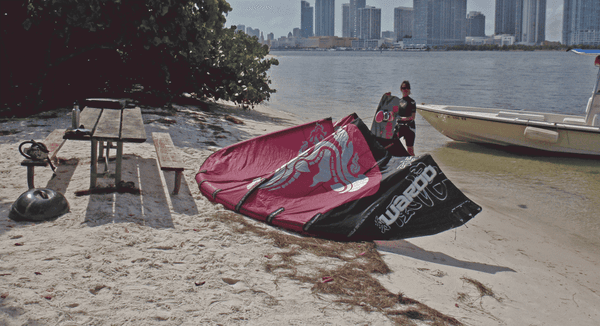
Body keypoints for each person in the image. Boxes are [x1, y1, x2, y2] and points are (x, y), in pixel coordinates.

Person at [396, 80, 417, 156]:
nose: (405, 90)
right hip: (400, 127)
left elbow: (413, 117)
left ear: (409, 89)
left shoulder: (412, 102)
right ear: (401, 89)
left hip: (409, 128)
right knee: (392, 142)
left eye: (407, 88)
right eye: (404, 88)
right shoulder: (398, 101)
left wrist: (402, 119)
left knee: (410, 150)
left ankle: (413, 164)